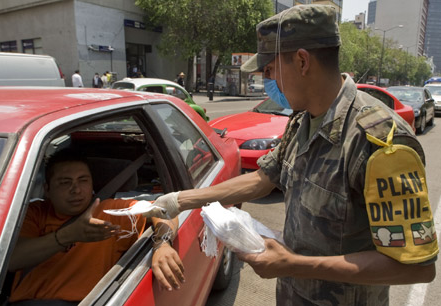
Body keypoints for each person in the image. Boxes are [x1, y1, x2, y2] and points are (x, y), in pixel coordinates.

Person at [142, 4, 438, 305]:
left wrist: (293, 264)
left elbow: (415, 266)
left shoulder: (377, 140)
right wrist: (180, 201)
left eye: (270, 70)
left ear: (301, 61)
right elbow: (262, 179)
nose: (269, 82)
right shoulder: (302, 121)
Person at [8, 149, 184, 305]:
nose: (76, 190)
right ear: (46, 189)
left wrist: (162, 244)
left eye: (83, 180)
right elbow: (12, 259)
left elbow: (163, 209)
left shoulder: (109, 211)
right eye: (64, 182)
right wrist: (67, 236)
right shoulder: (34, 213)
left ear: (92, 184)